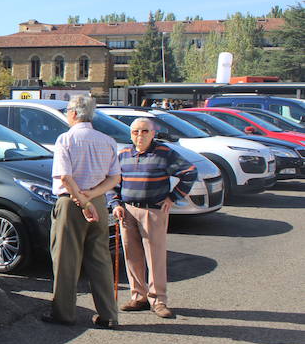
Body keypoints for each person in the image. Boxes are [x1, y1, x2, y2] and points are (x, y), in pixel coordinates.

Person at [43, 95, 122, 329]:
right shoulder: (107, 140)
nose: (67, 114)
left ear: (75, 113)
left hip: (71, 203)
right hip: (97, 201)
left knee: (66, 260)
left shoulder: (66, 139)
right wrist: (92, 196)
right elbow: (115, 177)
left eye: (68, 110)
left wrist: (82, 200)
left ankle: (64, 313)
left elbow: (66, 177)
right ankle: (109, 314)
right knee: (100, 260)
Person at [110, 117, 197, 319]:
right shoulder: (123, 154)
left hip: (153, 210)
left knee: (155, 257)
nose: (139, 136)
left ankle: (158, 300)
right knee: (131, 255)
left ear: (153, 133)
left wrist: (173, 197)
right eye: (135, 132)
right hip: (128, 210)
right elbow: (114, 181)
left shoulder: (164, 153)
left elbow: (189, 172)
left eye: (144, 131)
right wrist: (115, 204)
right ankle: (138, 296)